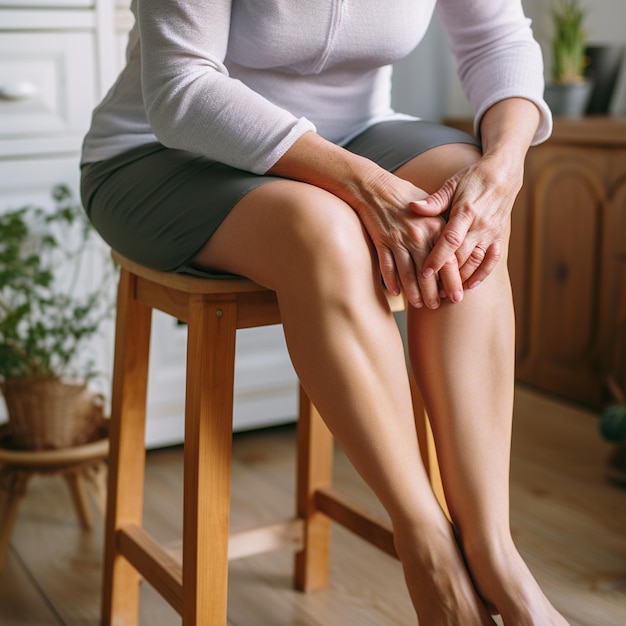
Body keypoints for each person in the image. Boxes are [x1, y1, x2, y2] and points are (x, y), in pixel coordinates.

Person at [80, 1, 569, 624]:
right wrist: (357, 183)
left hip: (356, 134)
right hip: (158, 153)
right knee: (324, 229)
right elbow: (183, 86)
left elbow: (499, 40)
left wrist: (503, 169)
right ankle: (428, 550)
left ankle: (494, 551)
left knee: (461, 211)